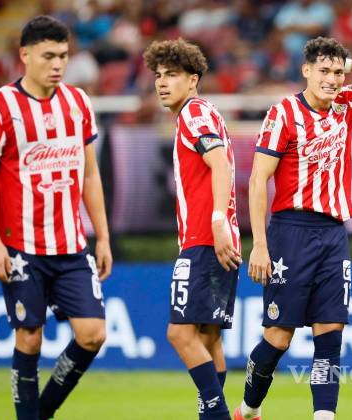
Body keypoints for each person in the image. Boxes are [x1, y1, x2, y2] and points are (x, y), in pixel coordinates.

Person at [234, 36, 352, 420]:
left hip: (332, 234)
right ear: (306, 71)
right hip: (290, 232)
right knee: (278, 337)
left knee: (330, 334)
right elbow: (258, 180)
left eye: (337, 72)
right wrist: (259, 244)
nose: (332, 79)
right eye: (324, 70)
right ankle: (248, 408)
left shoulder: (346, 102)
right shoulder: (283, 113)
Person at [0, 15, 112, 420]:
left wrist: (102, 236)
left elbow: (90, 174)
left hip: (71, 244)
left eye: (63, 56)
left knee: (93, 334)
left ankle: (40, 412)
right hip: (21, 247)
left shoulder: (78, 103)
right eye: (48, 55)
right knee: (29, 339)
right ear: (25, 55)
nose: (57, 64)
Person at [143, 38, 241, 420]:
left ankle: (218, 415)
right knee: (208, 338)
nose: (162, 82)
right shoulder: (205, 112)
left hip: (205, 238)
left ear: (193, 79)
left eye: (172, 74)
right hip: (217, 238)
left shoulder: (193, 114)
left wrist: (216, 221)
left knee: (180, 334)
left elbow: (221, 164)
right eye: (158, 75)